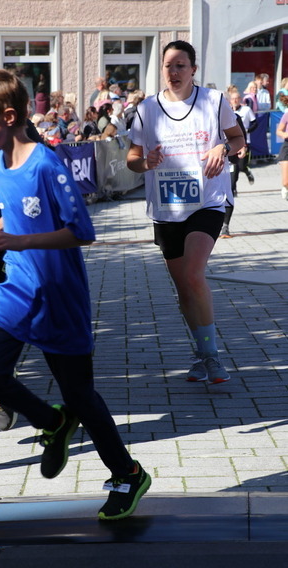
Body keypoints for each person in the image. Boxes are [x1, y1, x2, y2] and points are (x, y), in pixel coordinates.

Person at [0, 68, 151, 520]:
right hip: (17, 289)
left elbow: (81, 231)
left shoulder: (47, 164)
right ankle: (52, 421)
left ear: (8, 117)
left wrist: (16, 240)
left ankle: (127, 474)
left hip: (60, 295)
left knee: (80, 394)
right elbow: (16, 215)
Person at [127, 40, 244, 384]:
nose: (174, 72)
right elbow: (132, 159)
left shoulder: (213, 101)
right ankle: (201, 352)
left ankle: (211, 356)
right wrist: (144, 162)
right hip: (167, 208)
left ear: (194, 69)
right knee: (183, 289)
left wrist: (223, 148)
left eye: (181, 65)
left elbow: (238, 139)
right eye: (169, 65)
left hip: (207, 201)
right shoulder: (147, 109)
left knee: (194, 275)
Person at [227, 89, 257, 190]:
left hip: (244, 141)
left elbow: (255, 123)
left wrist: (247, 130)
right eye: (233, 99)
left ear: (240, 99)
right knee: (234, 166)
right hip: (232, 143)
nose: (235, 101)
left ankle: (247, 171)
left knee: (241, 165)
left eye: (236, 98)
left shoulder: (246, 110)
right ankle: (233, 188)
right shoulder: (227, 111)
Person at [276, 109, 288, 201]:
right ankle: (285, 187)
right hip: (287, 146)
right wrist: (285, 134)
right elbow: (279, 131)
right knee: (285, 181)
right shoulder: (286, 115)